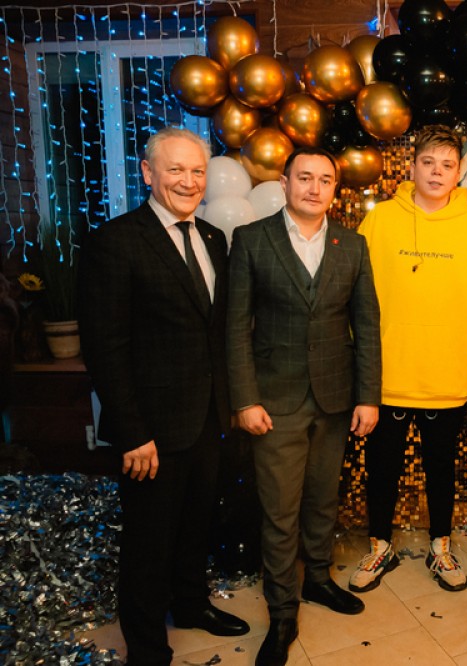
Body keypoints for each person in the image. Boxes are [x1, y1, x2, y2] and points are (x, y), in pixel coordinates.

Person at [79, 127, 249, 665]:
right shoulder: (116, 241)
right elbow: (105, 348)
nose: (189, 181)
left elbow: (215, 330)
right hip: (150, 429)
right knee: (149, 543)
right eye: (176, 170)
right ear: (148, 173)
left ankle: (191, 605)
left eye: (197, 171)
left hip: (207, 418)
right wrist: (133, 433)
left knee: (197, 526)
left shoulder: (213, 238)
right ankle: (148, 648)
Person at [227, 147, 381, 666]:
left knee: (321, 499)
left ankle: (317, 578)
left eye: (325, 180)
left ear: (335, 188)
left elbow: (367, 325)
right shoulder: (252, 239)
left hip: (336, 398)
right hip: (275, 401)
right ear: (285, 183)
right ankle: (282, 611)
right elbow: (235, 327)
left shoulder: (352, 244)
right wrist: (245, 398)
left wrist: (367, 396)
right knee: (280, 510)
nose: (315, 188)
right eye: (305, 178)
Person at [350, 125, 467, 593]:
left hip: (447, 376)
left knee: (440, 469)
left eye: (447, 165)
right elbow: (353, 295)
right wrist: (359, 367)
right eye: (429, 163)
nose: (437, 172)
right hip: (387, 375)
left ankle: (441, 547)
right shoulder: (379, 220)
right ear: (412, 167)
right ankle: (380, 546)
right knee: (382, 469)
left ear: (458, 173)